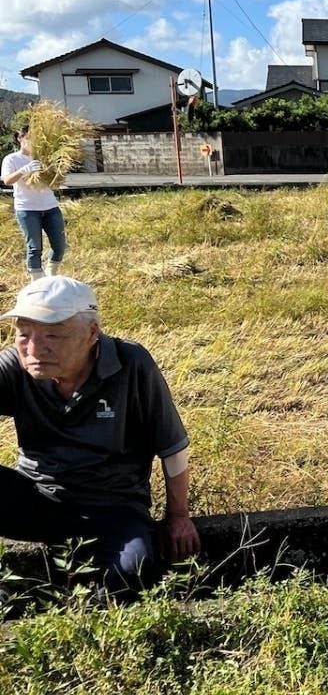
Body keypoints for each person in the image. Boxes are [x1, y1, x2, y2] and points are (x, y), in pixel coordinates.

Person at [0, 276, 200, 590]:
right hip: (37, 497)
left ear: (92, 333)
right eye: (24, 334)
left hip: (112, 506)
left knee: (134, 572)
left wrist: (178, 516)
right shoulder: (16, 365)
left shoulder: (130, 363)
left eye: (53, 334)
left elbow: (172, 447)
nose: (34, 348)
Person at [2, 125, 67, 281]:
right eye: (28, 137)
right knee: (34, 247)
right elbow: (7, 180)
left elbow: (55, 182)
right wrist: (24, 170)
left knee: (59, 245)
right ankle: (37, 281)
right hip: (27, 209)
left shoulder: (43, 157)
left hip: (50, 206)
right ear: (20, 138)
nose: (31, 141)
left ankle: (51, 273)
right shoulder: (12, 159)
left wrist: (55, 171)